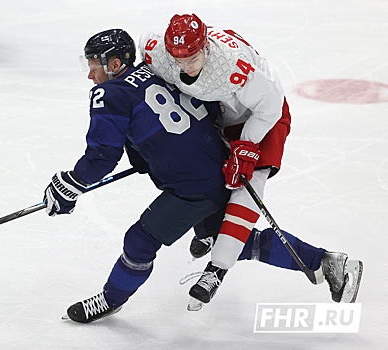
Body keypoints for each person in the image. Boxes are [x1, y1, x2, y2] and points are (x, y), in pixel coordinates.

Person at [43, 29, 361, 324]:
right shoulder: (158, 69)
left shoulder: (109, 94)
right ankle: (326, 262)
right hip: (222, 166)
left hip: (192, 186)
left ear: (115, 64)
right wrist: (150, 155)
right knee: (235, 240)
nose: (90, 74)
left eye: (94, 66)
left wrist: (69, 184)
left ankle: (111, 298)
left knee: (139, 241)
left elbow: (101, 157)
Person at [138, 14, 363, 307]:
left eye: (192, 58)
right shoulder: (159, 51)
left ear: (205, 46)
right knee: (205, 177)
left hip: (262, 120)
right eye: (178, 59)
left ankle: (216, 270)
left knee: (244, 190)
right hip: (220, 117)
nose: (185, 66)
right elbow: (143, 48)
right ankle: (212, 233)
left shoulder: (232, 66)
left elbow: (269, 106)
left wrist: (245, 146)